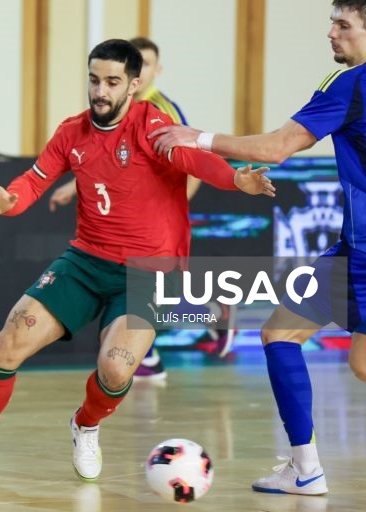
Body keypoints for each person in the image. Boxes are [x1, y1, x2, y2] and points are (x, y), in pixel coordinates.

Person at [0, 39, 273, 483]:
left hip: (148, 273)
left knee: (115, 367)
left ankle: (86, 425)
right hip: (86, 260)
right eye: (94, 80)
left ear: (134, 84)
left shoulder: (153, 127)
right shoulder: (72, 132)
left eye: (112, 82)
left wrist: (235, 179)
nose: (101, 91)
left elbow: (199, 162)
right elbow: (34, 181)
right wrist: (9, 201)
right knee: (10, 338)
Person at [149, 0, 366, 496]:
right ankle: (305, 469)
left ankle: (307, 469)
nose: (331, 33)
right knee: (286, 336)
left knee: (317, 349)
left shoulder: (351, 83)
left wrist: (196, 137)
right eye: (331, 22)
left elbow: (277, 148)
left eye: (343, 25)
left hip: (364, 251)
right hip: (351, 250)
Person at [48, 37, 227, 381]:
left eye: (147, 65)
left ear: (154, 71)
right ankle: (170, 340)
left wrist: (168, 213)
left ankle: (207, 313)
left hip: (155, 225)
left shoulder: (162, 111)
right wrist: (73, 186)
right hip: (124, 225)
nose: (140, 72)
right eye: (136, 64)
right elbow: (110, 161)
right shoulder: (118, 109)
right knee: (130, 293)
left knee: (150, 293)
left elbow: (191, 165)